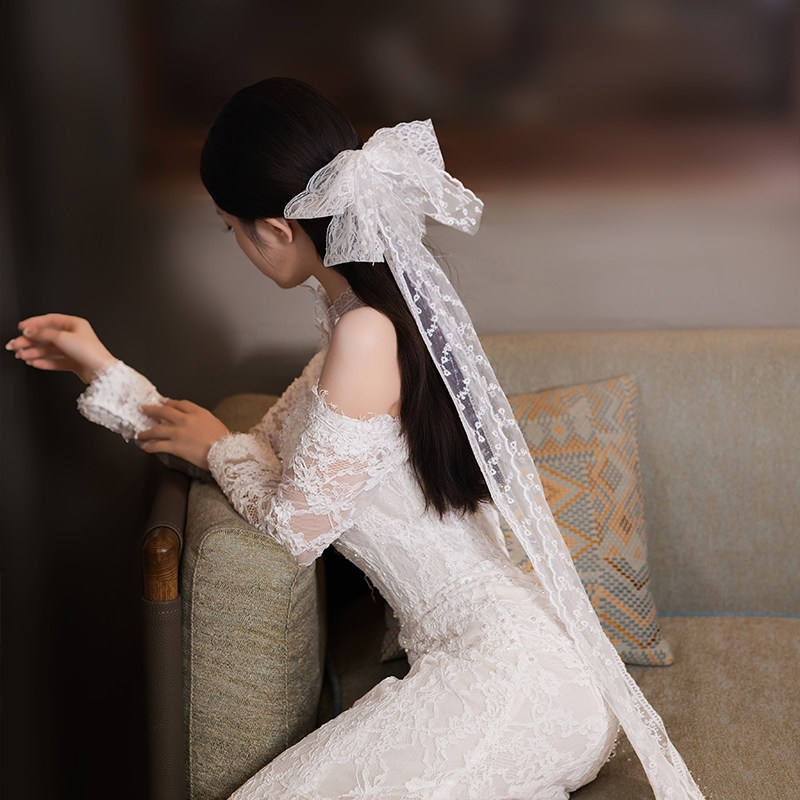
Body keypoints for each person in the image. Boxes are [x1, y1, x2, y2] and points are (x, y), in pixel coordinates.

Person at [6, 78, 704, 800]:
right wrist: (104, 370)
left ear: (276, 230)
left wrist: (217, 448)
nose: (237, 244)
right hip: (519, 671)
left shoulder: (364, 335)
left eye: (230, 227)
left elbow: (296, 524)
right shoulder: (358, 331)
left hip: (513, 678)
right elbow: (259, 449)